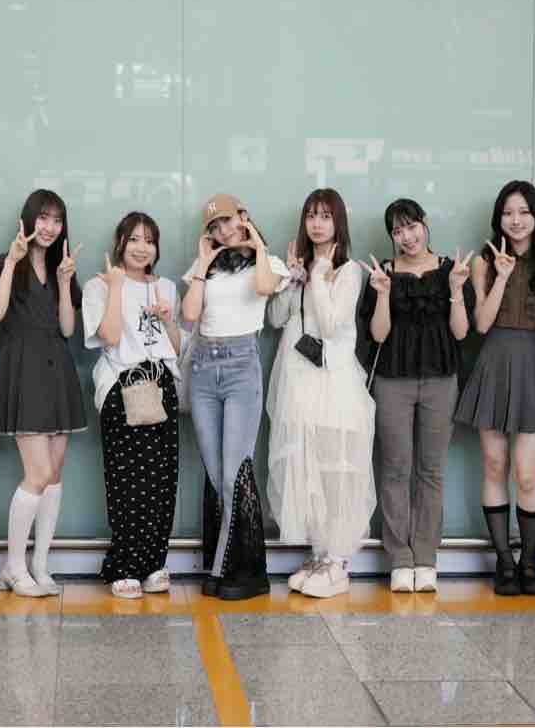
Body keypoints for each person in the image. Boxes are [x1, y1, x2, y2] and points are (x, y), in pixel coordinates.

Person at [454, 180, 535, 596]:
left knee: (526, 473)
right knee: (494, 465)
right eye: (508, 212)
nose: (516, 220)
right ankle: (504, 561)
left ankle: (529, 561)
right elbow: (482, 324)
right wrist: (502, 277)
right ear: (499, 218)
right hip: (495, 362)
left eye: (524, 212)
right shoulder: (485, 262)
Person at [358, 198, 473, 594]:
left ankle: (426, 557)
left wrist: (455, 289)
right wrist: (383, 294)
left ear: (425, 224)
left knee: (431, 469)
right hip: (393, 380)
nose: (406, 237)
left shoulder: (451, 270)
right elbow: (378, 334)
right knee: (394, 468)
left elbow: (461, 332)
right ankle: (400, 558)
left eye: (411, 227)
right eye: (397, 231)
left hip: (441, 379)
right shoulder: (383, 273)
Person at [266, 188, 376, 598]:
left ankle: (339, 560)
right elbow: (276, 319)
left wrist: (320, 273)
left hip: (333, 381)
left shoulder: (347, 271)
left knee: (335, 469)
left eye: (326, 216)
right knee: (306, 465)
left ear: (338, 222)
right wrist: (291, 281)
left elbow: (331, 325)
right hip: (297, 380)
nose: (317, 224)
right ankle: (319, 554)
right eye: (311, 215)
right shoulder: (303, 266)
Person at [182, 194, 289, 600]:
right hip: (203, 370)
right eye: (214, 227)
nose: (223, 231)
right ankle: (225, 565)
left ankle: (241, 572)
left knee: (234, 474)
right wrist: (202, 262)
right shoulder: (205, 267)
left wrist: (254, 241)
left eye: (227, 222)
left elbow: (263, 287)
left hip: (242, 367)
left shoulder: (267, 262)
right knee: (215, 476)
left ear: (243, 217)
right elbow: (190, 315)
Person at [0, 189, 87, 597]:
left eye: (57, 220)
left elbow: (67, 328)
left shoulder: (64, 267)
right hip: (23, 368)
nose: (49, 227)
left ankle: (39, 565)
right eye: (43, 218)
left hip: (57, 366)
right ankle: (13, 567)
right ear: (28, 219)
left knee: (54, 475)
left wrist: (64, 282)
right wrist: (12, 261)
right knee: (38, 474)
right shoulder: (1, 261)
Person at [82, 212, 181, 599]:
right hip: (123, 386)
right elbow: (109, 336)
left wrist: (169, 320)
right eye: (134, 239)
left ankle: (155, 563)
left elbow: (176, 346)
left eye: (149, 241)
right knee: (128, 482)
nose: (142, 248)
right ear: (120, 242)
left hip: (161, 385)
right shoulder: (99, 285)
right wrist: (117, 287)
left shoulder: (166, 287)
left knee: (162, 482)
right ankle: (124, 566)